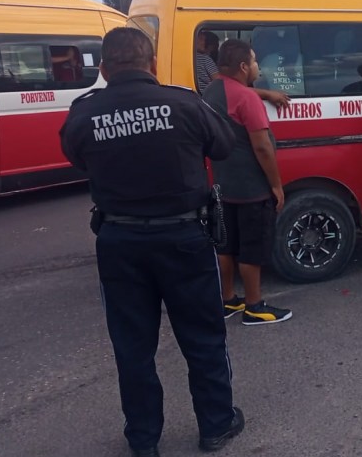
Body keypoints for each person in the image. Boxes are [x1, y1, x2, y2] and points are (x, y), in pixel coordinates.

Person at [59, 27, 244, 457]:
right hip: (184, 236)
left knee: (132, 346)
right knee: (203, 336)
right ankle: (215, 425)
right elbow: (224, 144)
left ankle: (144, 441)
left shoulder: (86, 111)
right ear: (153, 64)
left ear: (103, 69)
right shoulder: (183, 102)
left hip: (119, 240)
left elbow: (75, 156)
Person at [203, 39, 292, 326]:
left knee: (226, 246)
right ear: (243, 66)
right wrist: (276, 186)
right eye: (254, 62)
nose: (256, 66)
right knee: (252, 247)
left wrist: (264, 92)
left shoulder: (211, 90)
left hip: (223, 185)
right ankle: (254, 306)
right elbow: (263, 147)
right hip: (251, 188)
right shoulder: (246, 98)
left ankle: (227, 299)